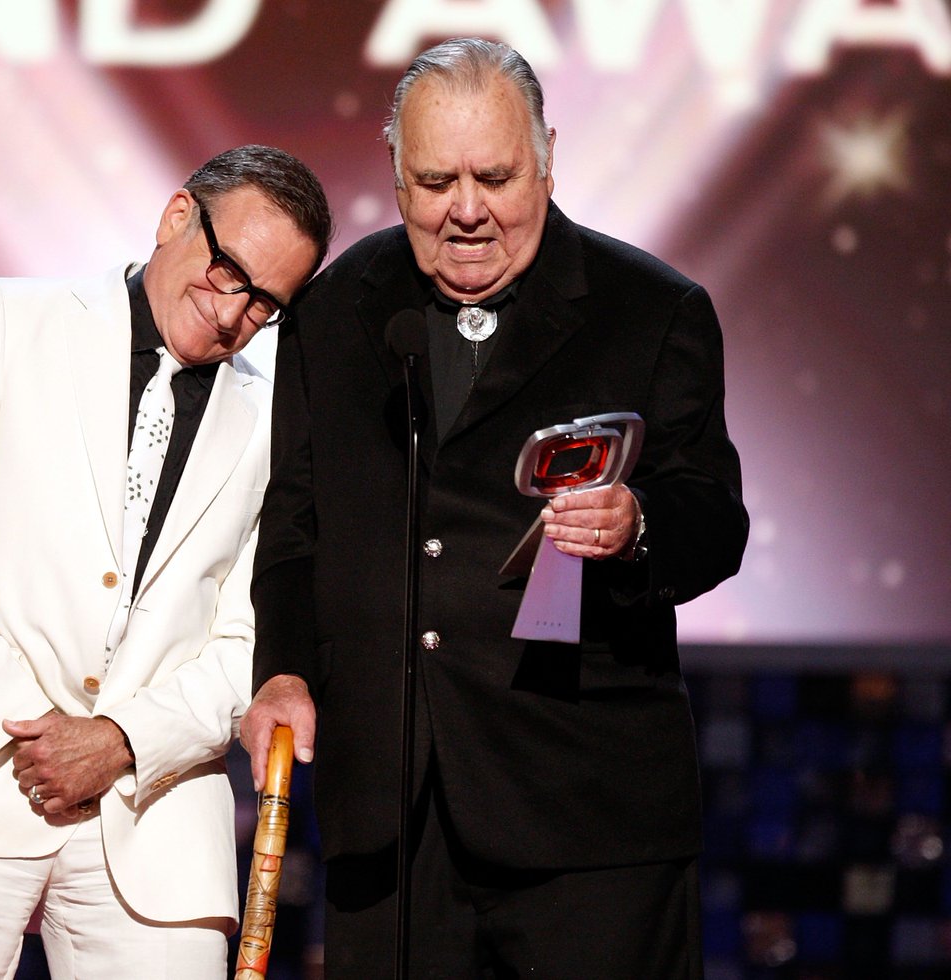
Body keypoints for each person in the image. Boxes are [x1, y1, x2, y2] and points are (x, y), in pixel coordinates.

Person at [242, 39, 748, 979]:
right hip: (389, 812)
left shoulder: (652, 309)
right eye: (435, 181)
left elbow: (715, 519)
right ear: (394, 176)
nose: (466, 211)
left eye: (495, 176)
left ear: (549, 157)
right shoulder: (336, 310)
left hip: (586, 817)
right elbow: (294, 523)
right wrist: (280, 672)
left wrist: (637, 525)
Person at [0, 144, 332, 979]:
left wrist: (119, 741)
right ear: (178, 217)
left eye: (264, 305)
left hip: (157, 811)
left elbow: (252, 638)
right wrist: (29, 732)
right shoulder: (1, 320)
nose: (232, 314)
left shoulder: (274, 415)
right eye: (228, 274)